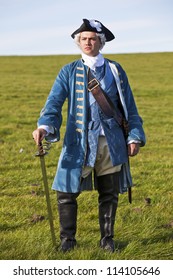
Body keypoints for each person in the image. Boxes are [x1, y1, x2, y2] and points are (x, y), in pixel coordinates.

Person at [32, 19, 146, 253]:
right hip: (78, 141)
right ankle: (68, 241)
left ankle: (107, 240)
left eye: (93, 38)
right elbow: (54, 102)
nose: (88, 42)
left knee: (109, 192)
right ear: (78, 42)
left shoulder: (116, 70)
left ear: (100, 42)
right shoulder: (69, 71)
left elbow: (130, 107)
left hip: (110, 141)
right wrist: (44, 126)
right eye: (83, 38)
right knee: (65, 191)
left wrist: (133, 136)